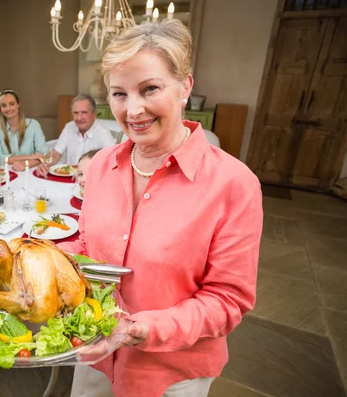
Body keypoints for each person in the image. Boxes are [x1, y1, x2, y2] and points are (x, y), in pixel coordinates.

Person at [59, 20, 263, 397]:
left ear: (185, 86)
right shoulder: (101, 165)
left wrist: (142, 329)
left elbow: (227, 299)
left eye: (149, 88)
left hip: (171, 372)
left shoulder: (234, 184)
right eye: (119, 94)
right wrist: (38, 258)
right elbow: (88, 248)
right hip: (95, 355)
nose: (133, 110)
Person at [36, 94, 115, 177]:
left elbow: (113, 162)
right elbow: (56, 154)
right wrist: (45, 164)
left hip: (90, 181)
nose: (79, 118)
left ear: (94, 114)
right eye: (76, 113)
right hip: (67, 178)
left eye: (84, 112)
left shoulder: (103, 133)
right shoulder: (69, 127)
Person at [0, 89, 47, 171]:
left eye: (11, 104)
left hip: (30, 172)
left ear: (18, 104)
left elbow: (42, 154)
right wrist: (29, 157)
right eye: (3, 105)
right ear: (0, 109)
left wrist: (26, 164)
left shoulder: (34, 125)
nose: (8, 109)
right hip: (5, 174)